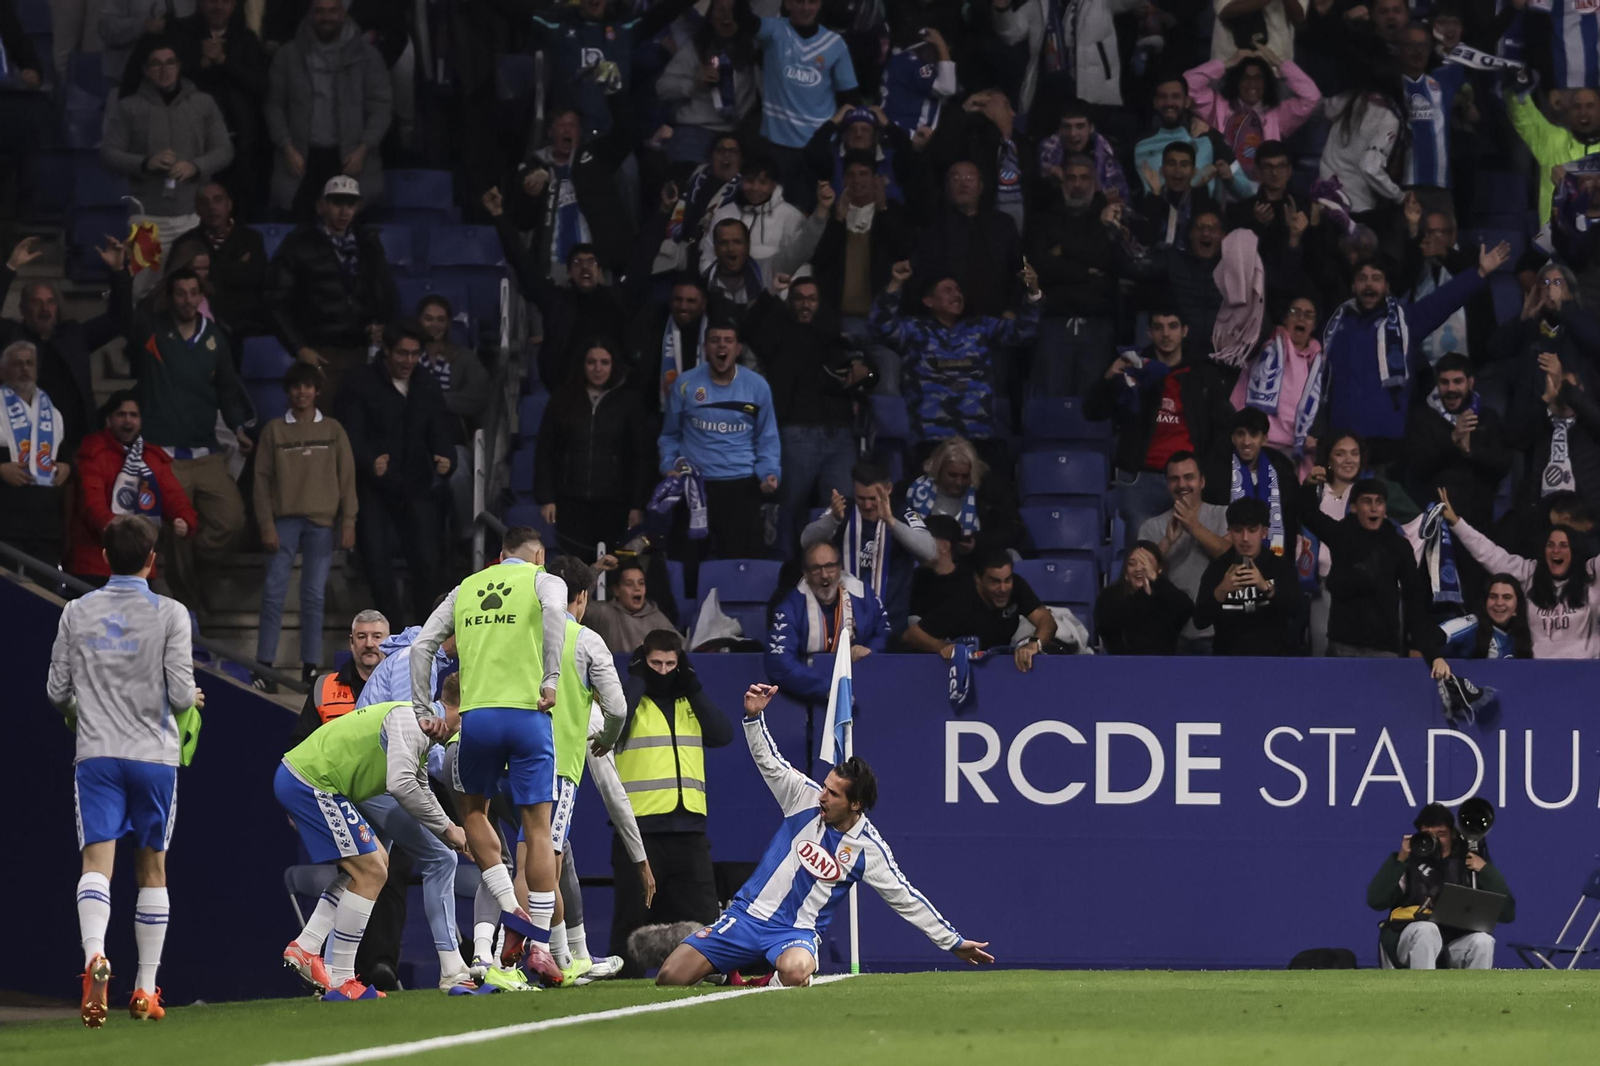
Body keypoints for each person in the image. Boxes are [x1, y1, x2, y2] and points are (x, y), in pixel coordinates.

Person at [655, 683, 992, 987]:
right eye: (825, 787)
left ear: (855, 804)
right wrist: (754, 718)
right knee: (670, 978)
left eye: (833, 793)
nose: (822, 796)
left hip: (794, 933)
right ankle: (722, 971)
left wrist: (952, 941)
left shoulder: (867, 849)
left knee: (797, 971)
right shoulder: (803, 797)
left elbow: (905, 899)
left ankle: (757, 984)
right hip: (744, 917)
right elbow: (769, 761)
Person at [48, 515, 199, 1026]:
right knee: (151, 869)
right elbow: (180, 695)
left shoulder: (76, 611)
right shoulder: (172, 613)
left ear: (106, 558)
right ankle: (145, 989)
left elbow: (56, 692)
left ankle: (95, 955)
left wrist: (89, 702)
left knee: (97, 864)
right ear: (152, 560)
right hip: (154, 756)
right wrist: (190, 697)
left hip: (97, 754)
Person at [407, 525, 572, 985]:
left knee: (472, 811)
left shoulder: (466, 587)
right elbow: (557, 612)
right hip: (528, 715)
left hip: (476, 720)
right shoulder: (544, 580)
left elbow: (422, 646)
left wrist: (425, 710)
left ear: (500, 555)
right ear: (537, 554)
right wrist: (552, 678)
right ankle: (539, 944)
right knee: (537, 828)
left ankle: (508, 906)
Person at [275, 690, 468, 1000]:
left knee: (373, 863)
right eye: (466, 717)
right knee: (372, 872)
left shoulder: (419, 726)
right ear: (456, 708)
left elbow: (417, 784)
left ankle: (308, 945)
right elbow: (401, 785)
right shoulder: (413, 722)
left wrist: (448, 830)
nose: (465, 728)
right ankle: (341, 979)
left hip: (315, 782)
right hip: (313, 783)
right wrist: (448, 828)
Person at [531, 557, 632, 984]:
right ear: (585, 597)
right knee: (546, 859)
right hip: (556, 764)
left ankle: (500, 953)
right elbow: (618, 708)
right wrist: (608, 737)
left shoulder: (523, 632)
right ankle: (555, 958)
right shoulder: (584, 639)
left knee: (515, 859)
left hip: (504, 758)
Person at [610, 630, 734, 977]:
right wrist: (636, 681)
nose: (663, 671)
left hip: (689, 834)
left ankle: (712, 983)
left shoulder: (688, 701)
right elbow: (612, 730)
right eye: (654, 663)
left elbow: (722, 734)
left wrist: (693, 686)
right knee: (629, 926)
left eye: (670, 663)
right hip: (639, 833)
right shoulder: (629, 701)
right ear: (642, 661)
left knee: (707, 925)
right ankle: (619, 999)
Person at [128, 267, 254, 608]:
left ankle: (191, 569)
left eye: (192, 292)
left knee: (232, 520)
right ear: (171, 296)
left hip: (206, 451)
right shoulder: (153, 332)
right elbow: (130, 315)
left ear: (202, 296)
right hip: (164, 453)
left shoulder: (214, 336)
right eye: (179, 293)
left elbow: (228, 390)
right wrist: (124, 275)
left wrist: (239, 426)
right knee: (180, 523)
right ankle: (189, 602)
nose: (186, 299)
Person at [1319, 247, 1508, 470]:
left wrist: (1479, 273)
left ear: (1387, 287)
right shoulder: (1333, 328)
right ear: (1353, 287)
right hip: (1342, 438)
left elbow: (1442, 301)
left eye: (1376, 279)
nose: (1369, 285)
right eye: (1362, 279)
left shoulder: (1406, 322)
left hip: (1389, 440)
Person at [335, 322, 454, 627]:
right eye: (402, 353)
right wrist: (368, 460)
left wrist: (447, 458)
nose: (408, 361)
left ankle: (426, 633)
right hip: (372, 488)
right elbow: (347, 434)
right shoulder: (359, 383)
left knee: (428, 561)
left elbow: (440, 429)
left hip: (416, 484)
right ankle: (396, 632)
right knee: (375, 561)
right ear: (386, 351)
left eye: (415, 354)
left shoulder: (426, 383)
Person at [743, 274, 865, 552]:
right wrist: (772, 293)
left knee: (841, 512)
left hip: (840, 436)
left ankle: (835, 573)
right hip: (796, 433)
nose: (805, 304)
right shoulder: (778, 334)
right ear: (791, 303)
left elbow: (871, 374)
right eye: (799, 298)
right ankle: (784, 577)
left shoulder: (835, 337)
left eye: (812, 299)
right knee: (787, 510)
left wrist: (863, 374)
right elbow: (748, 328)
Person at [1089, 310, 1233, 546]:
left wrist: (1205, 472)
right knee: (1142, 561)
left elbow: (1222, 430)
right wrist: (1108, 378)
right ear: (1149, 332)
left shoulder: (1203, 374)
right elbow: (1093, 412)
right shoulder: (1132, 369)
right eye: (1158, 327)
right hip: (1141, 480)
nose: (1166, 334)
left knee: (1193, 560)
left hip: (1189, 482)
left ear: (1184, 331)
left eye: (1173, 326)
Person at [253, 362, 357, 686]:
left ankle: (310, 666)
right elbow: (261, 481)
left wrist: (348, 520)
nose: (302, 392)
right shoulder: (274, 430)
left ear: (317, 390)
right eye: (296, 386)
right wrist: (266, 523)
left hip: (321, 522)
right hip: (283, 520)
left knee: (313, 595)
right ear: (288, 391)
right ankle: (265, 667)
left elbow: (347, 478)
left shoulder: (332, 430)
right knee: (273, 593)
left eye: (308, 386)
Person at [872, 258, 1041, 457]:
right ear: (928, 301)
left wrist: (1033, 293)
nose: (957, 294)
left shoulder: (981, 328)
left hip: (979, 441)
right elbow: (881, 327)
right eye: (947, 290)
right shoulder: (914, 330)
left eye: (958, 290)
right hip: (929, 442)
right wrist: (896, 283)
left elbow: (1024, 331)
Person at [100, 39, 234, 284]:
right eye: (156, 64)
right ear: (146, 70)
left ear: (179, 66)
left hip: (192, 216)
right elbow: (109, 153)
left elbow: (224, 150)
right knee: (140, 291)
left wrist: (196, 166)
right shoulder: (129, 108)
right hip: (146, 219)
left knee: (192, 288)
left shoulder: (203, 103)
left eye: (170, 62)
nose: (164, 69)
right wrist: (145, 162)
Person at [656, 317, 781, 559]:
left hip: (741, 488)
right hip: (694, 486)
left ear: (738, 348)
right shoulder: (685, 384)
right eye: (715, 341)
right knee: (688, 563)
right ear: (705, 348)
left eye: (728, 341)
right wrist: (669, 465)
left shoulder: (757, 386)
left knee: (740, 565)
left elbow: (768, 438)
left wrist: (769, 472)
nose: (721, 346)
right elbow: (670, 435)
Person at [266, 176, 398, 404]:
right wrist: (299, 348)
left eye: (350, 204)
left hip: (360, 352)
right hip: (318, 352)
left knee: (359, 429)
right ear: (321, 206)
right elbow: (276, 301)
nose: (344, 211)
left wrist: (383, 326)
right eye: (337, 203)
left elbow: (387, 291)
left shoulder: (369, 242)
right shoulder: (298, 243)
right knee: (316, 430)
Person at [1, 236, 129, 457]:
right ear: (22, 308)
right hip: (26, 446)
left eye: (50, 301)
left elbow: (119, 319)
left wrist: (118, 272)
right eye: (36, 302)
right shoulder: (12, 337)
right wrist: (9, 269)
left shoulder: (73, 335)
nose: (45, 308)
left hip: (75, 443)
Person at [265, 0, 391, 220]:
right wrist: (286, 146)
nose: (327, 17)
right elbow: (274, 106)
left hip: (351, 160)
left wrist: (364, 148)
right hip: (301, 161)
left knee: (350, 235)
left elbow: (381, 108)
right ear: (310, 13)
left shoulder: (369, 57)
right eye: (320, 11)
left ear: (344, 13)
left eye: (333, 11)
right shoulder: (287, 55)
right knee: (299, 237)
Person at [1439, 489, 1600, 659]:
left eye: (1563, 545)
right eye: (1550, 545)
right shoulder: (1529, 572)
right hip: (1536, 672)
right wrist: (1456, 523)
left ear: (1574, 551)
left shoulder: (1591, 573)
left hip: (1585, 673)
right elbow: (1488, 553)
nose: (1556, 551)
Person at [534, 343, 654, 560]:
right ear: (582, 365)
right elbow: (546, 450)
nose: (597, 368)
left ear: (614, 365)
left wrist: (637, 504)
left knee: (614, 565)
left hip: (615, 502)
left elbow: (641, 456)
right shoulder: (562, 399)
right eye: (591, 362)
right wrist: (547, 497)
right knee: (573, 565)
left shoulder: (629, 401)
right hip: (570, 500)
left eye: (604, 362)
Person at [66, 393, 197, 587]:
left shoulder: (151, 456)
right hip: (96, 565)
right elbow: (91, 503)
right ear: (109, 420)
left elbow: (173, 494)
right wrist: (117, 531)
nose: (128, 420)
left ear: (141, 421)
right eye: (121, 414)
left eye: (134, 415)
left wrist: (183, 518)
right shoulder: (94, 451)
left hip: (139, 565)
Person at [498, 104, 634, 288]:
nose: (567, 130)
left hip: (595, 264)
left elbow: (627, 135)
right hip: (553, 267)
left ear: (579, 132)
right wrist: (529, 196)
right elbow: (521, 221)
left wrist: (614, 97)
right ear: (549, 132)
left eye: (572, 125)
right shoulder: (532, 168)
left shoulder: (596, 159)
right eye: (561, 125)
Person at [1367, 803, 1514, 970]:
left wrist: (1486, 870)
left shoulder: (1469, 864)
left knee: (1483, 941)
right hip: (1411, 940)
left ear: (1453, 834)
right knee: (1427, 930)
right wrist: (1399, 860)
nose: (1435, 839)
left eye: (1441, 834)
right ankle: (1424, 994)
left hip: (1452, 944)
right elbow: (1375, 900)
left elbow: (1506, 914)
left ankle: (1475, 995)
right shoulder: (1408, 863)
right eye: (1428, 834)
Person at [801, 460, 936, 638]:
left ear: (888, 489)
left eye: (873, 498)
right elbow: (806, 541)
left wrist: (891, 522)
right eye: (861, 498)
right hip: (845, 625)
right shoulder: (843, 510)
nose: (866, 505)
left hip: (891, 628)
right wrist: (832, 520)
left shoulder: (903, 513)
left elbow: (930, 551)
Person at [1297, 478, 1425, 657]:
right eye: (1367, 501)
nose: (1374, 508)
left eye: (1379, 502)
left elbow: (1414, 595)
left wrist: (1417, 643)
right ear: (1355, 507)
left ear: (1385, 508)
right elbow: (1308, 514)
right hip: (1343, 644)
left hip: (1384, 646)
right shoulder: (1341, 535)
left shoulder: (1398, 545)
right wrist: (1309, 486)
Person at [1027, 154, 1119, 398]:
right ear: (1062, 182)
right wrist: (1086, 271)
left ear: (1095, 182)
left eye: (1084, 178)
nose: (1077, 184)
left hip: (1098, 323)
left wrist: (1063, 251)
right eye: (1071, 178)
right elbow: (1040, 266)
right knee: (1052, 398)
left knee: (1093, 402)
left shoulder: (1109, 219)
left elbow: (1110, 262)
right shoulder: (1043, 220)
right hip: (1054, 321)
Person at [170, 0, 270, 217]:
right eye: (211, 0)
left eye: (225, 1)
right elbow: (170, 80)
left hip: (241, 141)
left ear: (234, 5)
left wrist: (224, 60)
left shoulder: (246, 39)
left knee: (242, 211)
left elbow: (260, 85)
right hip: (196, 143)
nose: (218, 6)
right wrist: (202, 64)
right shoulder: (182, 36)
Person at [753, 0, 858, 195]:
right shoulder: (773, 30)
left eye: (812, 1)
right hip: (777, 145)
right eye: (800, 1)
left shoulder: (835, 44)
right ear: (788, 3)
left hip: (818, 147)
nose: (806, 7)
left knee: (812, 213)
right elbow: (745, 21)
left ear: (820, 4)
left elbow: (850, 98)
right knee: (773, 213)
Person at [1403, 352, 1511, 542]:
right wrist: (1452, 439)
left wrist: (1471, 452)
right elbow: (1416, 467)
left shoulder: (1487, 417)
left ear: (1470, 382)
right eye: (1445, 382)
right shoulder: (1422, 417)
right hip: (1435, 523)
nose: (1451, 389)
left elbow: (1502, 466)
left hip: (1478, 523)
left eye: (1457, 381)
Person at [765, 541, 891, 701]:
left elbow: (885, 634)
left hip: (864, 688)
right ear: (806, 572)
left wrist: (871, 651)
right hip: (809, 697)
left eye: (830, 566)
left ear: (840, 568)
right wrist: (826, 687)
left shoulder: (863, 595)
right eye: (816, 569)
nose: (824, 575)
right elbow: (779, 663)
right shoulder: (790, 606)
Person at [1137, 452, 1231, 656]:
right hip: (1170, 633)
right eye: (1174, 479)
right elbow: (1140, 577)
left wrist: (1193, 526)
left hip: (1217, 631)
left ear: (1202, 481)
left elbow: (1229, 558)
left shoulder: (1223, 515)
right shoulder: (1151, 527)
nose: (1182, 485)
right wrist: (1168, 541)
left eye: (1189, 477)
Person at [902, 548, 1056, 671]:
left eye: (1007, 580)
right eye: (994, 581)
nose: (1003, 589)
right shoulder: (960, 599)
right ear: (978, 579)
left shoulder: (1017, 586)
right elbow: (912, 635)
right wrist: (941, 647)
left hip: (1001, 662)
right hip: (965, 667)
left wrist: (1035, 644)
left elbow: (1046, 620)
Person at [1184, 49, 1320, 183]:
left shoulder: (1278, 114)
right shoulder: (1216, 105)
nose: (1252, 84)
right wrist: (1226, 63)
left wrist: (1279, 63)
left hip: (1262, 187)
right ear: (1236, 81)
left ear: (1266, 83)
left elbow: (1312, 98)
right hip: (1222, 184)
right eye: (1246, 78)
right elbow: (1187, 85)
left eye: (1258, 78)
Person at [911, 161, 1024, 320]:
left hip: (999, 320)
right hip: (949, 324)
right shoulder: (934, 229)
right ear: (946, 187)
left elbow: (1018, 270)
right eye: (956, 178)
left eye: (970, 178)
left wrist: (1012, 309)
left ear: (981, 186)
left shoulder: (1003, 224)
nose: (963, 183)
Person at [1193, 497, 1304, 655]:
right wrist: (1222, 591)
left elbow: (1296, 610)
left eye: (1252, 530)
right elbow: (1200, 621)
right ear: (1229, 532)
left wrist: (1266, 587)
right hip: (1228, 661)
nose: (1245, 538)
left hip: (1273, 661)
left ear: (1264, 532)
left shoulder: (1280, 566)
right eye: (1238, 530)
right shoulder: (1218, 568)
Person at [654, 0, 760, 164]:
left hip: (736, 133)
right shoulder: (694, 49)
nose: (726, 16)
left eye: (733, 11)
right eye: (720, 10)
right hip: (694, 130)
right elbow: (662, 88)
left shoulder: (754, 51)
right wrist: (693, 85)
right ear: (710, 16)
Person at [0, 341, 72, 568]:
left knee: (43, 590)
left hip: (45, 523)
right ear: (3, 371)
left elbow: (65, 454)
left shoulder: (53, 410)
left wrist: (67, 467)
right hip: (6, 519)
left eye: (29, 363)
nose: (25, 369)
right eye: (17, 364)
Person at [697, 158, 829, 281]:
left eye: (763, 182)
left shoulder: (791, 215)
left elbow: (801, 260)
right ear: (742, 181)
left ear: (773, 185)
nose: (755, 188)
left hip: (776, 296)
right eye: (749, 181)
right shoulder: (723, 213)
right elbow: (708, 256)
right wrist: (720, 283)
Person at [169, 183, 271, 340]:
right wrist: (237, 267)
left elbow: (256, 277)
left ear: (229, 204)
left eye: (218, 200)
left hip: (245, 323)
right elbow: (173, 285)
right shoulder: (185, 243)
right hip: (197, 323)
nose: (211, 207)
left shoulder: (252, 239)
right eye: (205, 202)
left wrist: (210, 277)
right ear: (197, 209)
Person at [1229, 296, 1322, 466]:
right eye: (1295, 312)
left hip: (1293, 450)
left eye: (1308, 315)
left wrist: (1313, 436)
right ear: (1285, 318)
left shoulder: (1319, 363)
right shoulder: (1264, 347)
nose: (1301, 318)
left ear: (1314, 326)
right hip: (1254, 443)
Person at [902, 436, 1026, 559]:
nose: (959, 482)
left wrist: (977, 543)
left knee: (1012, 556)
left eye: (965, 476)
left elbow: (1013, 529)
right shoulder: (915, 490)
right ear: (938, 470)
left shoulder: (989, 490)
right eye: (952, 475)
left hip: (978, 559)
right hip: (929, 558)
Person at [1133, 77, 1254, 202]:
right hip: (1155, 218)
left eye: (1176, 97)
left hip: (1201, 218)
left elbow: (1246, 191)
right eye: (1163, 97)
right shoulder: (1139, 145)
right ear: (1155, 102)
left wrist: (1230, 179)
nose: (1169, 102)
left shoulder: (1210, 138)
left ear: (1187, 101)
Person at [1207, 407, 1301, 559]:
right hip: (1228, 560)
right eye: (1240, 434)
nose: (1246, 441)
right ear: (1233, 438)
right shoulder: (1217, 472)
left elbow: (1290, 520)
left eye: (1253, 434)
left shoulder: (1282, 470)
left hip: (1276, 562)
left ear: (1264, 439)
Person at [290, 610, 390, 745]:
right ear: (351, 642)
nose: (369, 644)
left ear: (390, 642)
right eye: (361, 637)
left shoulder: (404, 687)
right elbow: (301, 744)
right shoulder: (322, 687)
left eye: (376, 637)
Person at [1508, 85, 1600, 231]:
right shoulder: (1552, 141)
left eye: (1590, 106)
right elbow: (1523, 115)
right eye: (1577, 106)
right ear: (1569, 112)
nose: (1583, 112)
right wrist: (1518, 87)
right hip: (1555, 244)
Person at [1419, 575, 1534, 676]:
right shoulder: (1471, 624)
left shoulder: (1524, 633)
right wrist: (1436, 659)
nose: (1499, 603)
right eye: (1493, 597)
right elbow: (1426, 638)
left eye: (1507, 597)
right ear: (1485, 602)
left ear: (1517, 606)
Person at [1096, 539, 1195, 655]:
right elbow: (1109, 629)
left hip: (1163, 666)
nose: (1138, 569)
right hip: (1123, 665)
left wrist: (1155, 579)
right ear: (1126, 573)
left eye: (1146, 563)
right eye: (1132, 564)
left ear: (1159, 569)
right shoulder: (1109, 597)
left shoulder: (1167, 595)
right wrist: (1143, 595)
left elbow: (1186, 609)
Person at [586, 559, 681, 653]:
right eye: (629, 584)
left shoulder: (657, 618)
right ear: (616, 590)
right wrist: (596, 568)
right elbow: (579, 603)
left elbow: (683, 647)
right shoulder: (604, 613)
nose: (637, 588)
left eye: (641, 583)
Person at [909, 514, 968, 623]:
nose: (919, 546)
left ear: (945, 546)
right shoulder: (915, 579)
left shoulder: (966, 584)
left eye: (925, 541)